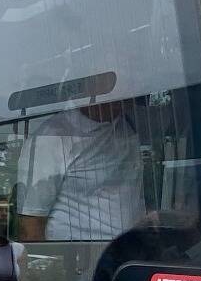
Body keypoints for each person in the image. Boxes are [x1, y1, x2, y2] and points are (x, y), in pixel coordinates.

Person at [14, 98, 146, 243]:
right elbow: (30, 224)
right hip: (80, 259)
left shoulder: (127, 125)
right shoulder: (51, 137)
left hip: (133, 255)